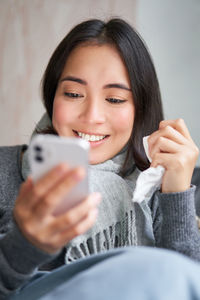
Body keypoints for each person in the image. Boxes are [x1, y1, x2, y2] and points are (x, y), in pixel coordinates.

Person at [0, 18, 200, 299]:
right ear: (52, 96)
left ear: (140, 108)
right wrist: (25, 244)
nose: (92, 116)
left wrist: (176, 194)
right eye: (73, 93)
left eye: (115, 99)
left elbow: (187, 284)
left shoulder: (171, 185)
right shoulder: (4, 171)